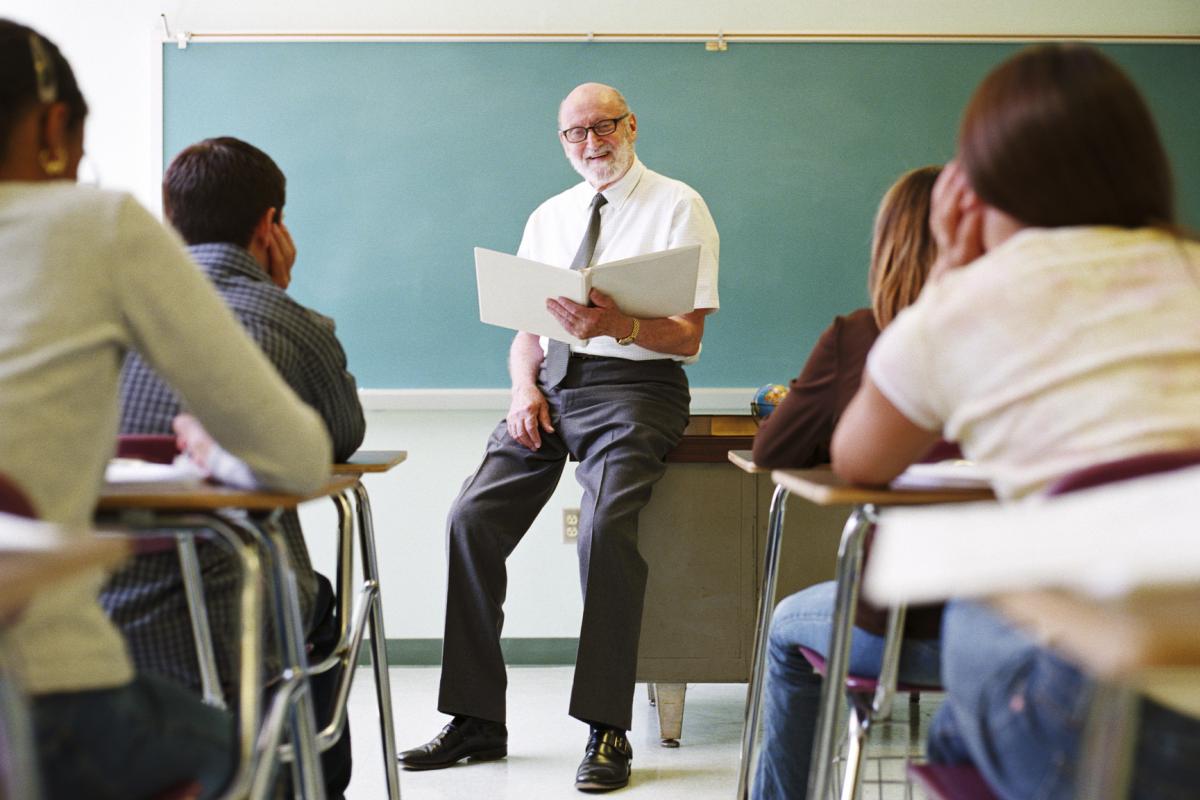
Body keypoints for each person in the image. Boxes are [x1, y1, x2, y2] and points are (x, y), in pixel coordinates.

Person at [831, 44, 1200, 799]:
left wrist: (942, 285)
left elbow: (858, 460)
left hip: (1101, 727)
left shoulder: (962, 307)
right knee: (958, 729)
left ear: (976, 193)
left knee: (982, 598)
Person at [0, 20, 332, 800]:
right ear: (54, 127)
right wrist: (214, 453)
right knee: (243, 746)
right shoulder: (98, 226)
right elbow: (301, 455)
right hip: (42, 700)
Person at [398, 82, 719, 792]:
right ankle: (477, 721)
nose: (591, 143)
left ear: (631, 125)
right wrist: (523, 388)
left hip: (638, 389)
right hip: (550, 389)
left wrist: (616, 327)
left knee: (605, 525)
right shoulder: (549, 215)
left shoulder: (677, 205)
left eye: (603, 127)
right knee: (470, 519)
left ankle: (608, 729)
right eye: (574, 134)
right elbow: (525, 333)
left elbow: (689, 336)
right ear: (563, 142)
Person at [100, 136, 364, 795]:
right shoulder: (285, 319)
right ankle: (310, 774)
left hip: (91, 605)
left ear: (171, 222)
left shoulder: (109, 318)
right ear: (270, 225)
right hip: (228, 626)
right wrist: (279, 300)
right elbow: (342, 437)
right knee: (322, 605)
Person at [749, 165, 943, 800]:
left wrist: (847, 431)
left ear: (886, 246)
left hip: (902, 634)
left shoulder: (860, 337)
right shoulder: (1024, 342)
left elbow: (774, 449)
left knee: (784, 624)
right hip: (1028, 632)